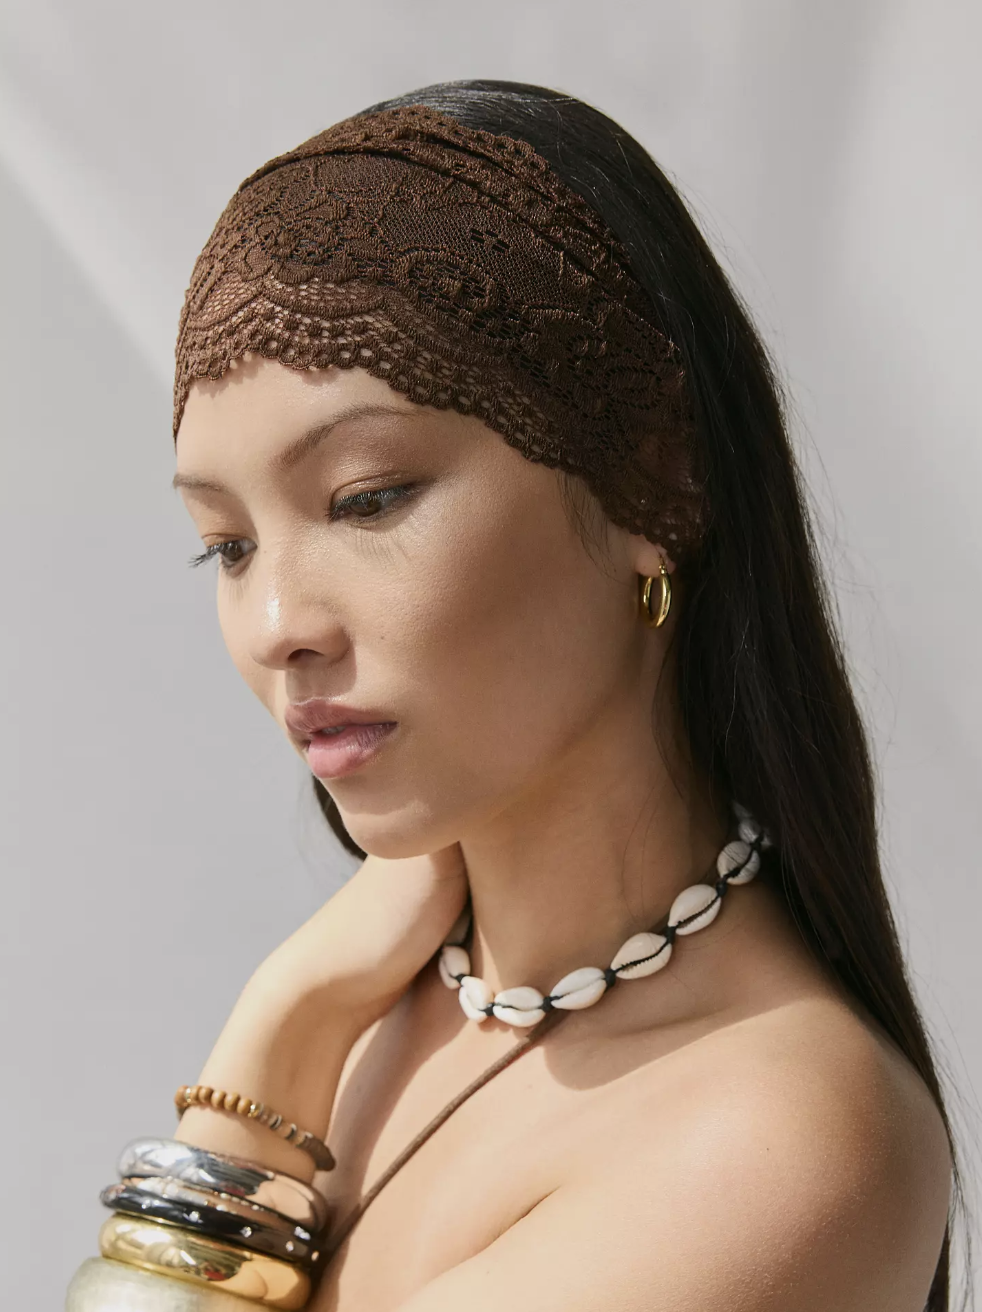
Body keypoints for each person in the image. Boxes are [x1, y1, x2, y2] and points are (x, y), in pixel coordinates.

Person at [66, 80, 960, 1312]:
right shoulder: (385, 1013)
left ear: (656, 485)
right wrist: (294, 1017)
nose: (277, 626)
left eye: (366, 498)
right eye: (226, 546)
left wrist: (274, 1049)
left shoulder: (769, 1142)